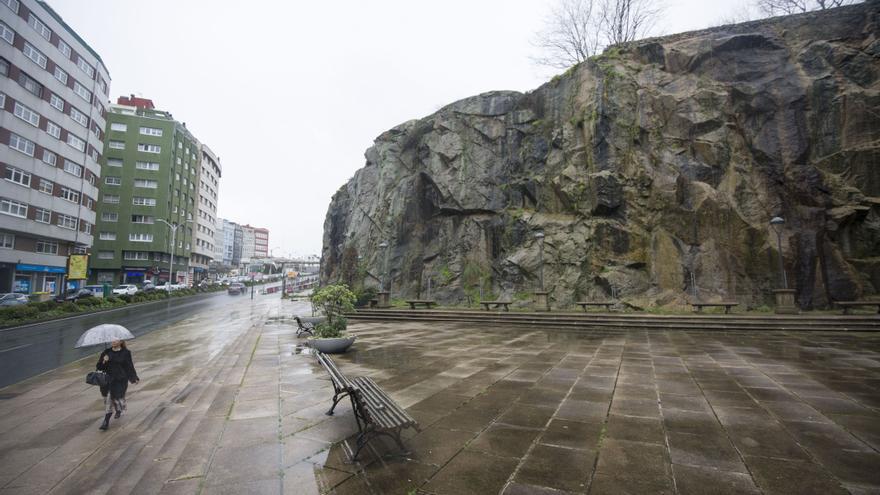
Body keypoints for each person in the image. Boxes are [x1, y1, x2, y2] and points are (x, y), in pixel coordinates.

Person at [96, 339, 139, 430]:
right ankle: (111, 416)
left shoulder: (126, 353)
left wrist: (134, 377)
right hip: (108, 380)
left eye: (116, 340)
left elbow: (129, 366)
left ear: (121, 342)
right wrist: (104, 361)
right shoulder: (106, 352)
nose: (113, 341)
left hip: (120, 380)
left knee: (115, 399)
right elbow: (99, 367)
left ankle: (112, 416)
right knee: (108, 399)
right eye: (112, 340)